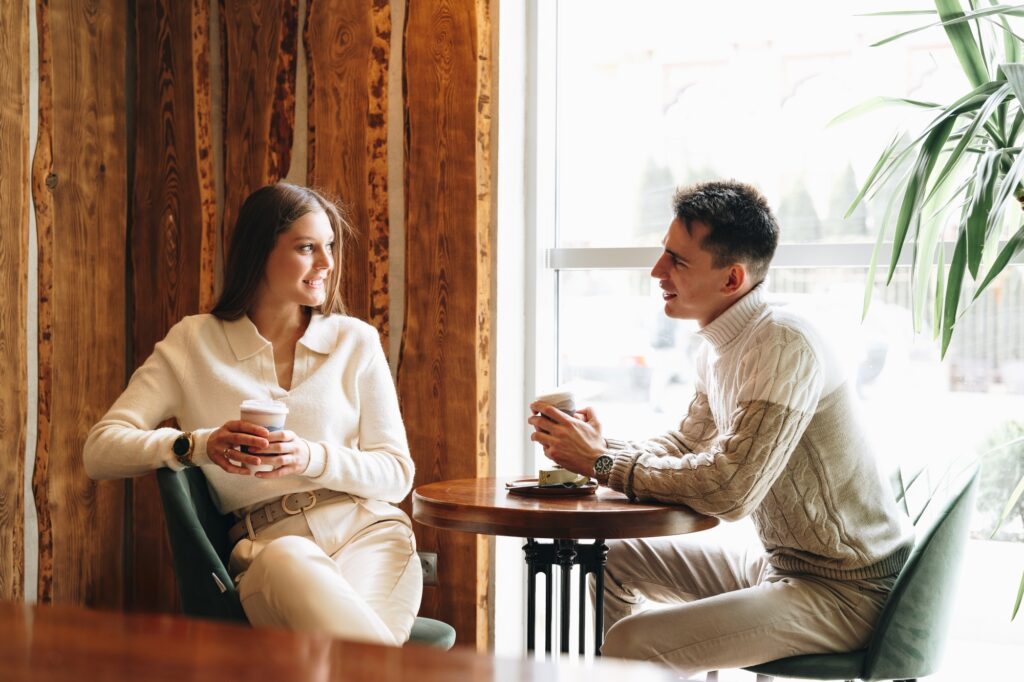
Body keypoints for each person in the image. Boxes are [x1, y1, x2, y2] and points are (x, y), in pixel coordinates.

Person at [528, 180, 913, 677]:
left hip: (848, 592)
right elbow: (689, 444)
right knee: (613, 560)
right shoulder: (718, 346)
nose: (656, 271)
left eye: (677, 261)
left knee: (631, 644)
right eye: (663, 254)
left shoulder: (782, 343)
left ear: (732, 279)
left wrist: (601, 462)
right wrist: (600, 448)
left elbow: (731, 489)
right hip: (782, 570)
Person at [85, 183, 421, 645]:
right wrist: (197, 446)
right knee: (298, 571)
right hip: (269, 552)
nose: (327, 263)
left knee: (351, 658)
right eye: (307, 248)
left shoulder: (355, 341)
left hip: (370, 538)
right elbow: (100, 450)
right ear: (260, 251)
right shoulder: (193, 343)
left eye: (330, 246)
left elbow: (397, 475)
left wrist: (310, 458)